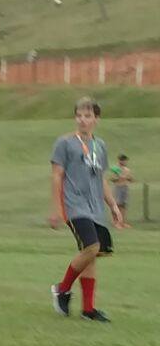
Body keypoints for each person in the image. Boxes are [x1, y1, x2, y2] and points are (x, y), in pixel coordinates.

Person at [48, 97, 125, 323]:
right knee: (91, 247)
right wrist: (55, 209)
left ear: (97, 119)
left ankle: (88, 310)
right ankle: (62, 289)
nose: (82, 120)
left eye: (88, 116)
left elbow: (100, 179)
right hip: (74, 206)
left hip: (95, 208)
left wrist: (112, 205)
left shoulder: (100, 146)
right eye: (79, 115)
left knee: (91, 255)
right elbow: (56, 176)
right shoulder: (64, 143)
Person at [110, 154, 135, 225]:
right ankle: (115, 221)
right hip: (118, 188)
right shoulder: (115, 169)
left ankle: (122, 221)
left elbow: (131, 179)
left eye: (125, 160)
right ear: (119, 160)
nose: (124, 162)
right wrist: (119, 178)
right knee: (117, 204)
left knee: (123, 205)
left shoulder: (127, 170)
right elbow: (112, 179)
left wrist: (128, 178)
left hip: (125, 188)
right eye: (122, 160)